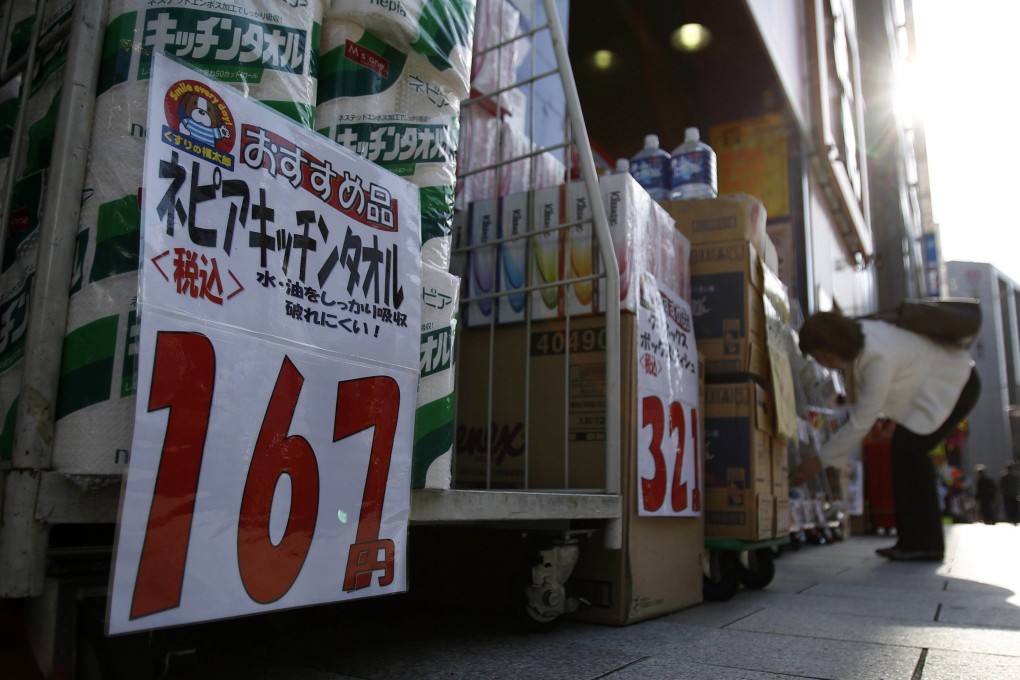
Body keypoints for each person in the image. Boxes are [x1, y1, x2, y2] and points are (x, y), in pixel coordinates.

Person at [790, 311, 979, 561]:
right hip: (948, 381)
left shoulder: (877, 358)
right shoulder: (863, 334)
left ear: (831, 350)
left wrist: (816, 463)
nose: (823, 364)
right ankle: (916, 541)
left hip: (956, 385)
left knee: (910, 452)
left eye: (820, 357)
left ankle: (924, 543)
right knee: (906, 451)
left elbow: (861, 421)